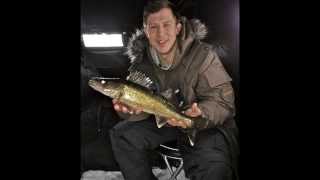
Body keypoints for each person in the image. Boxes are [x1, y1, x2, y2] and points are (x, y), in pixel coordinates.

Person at [109, 0, 239, 179]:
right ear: (146, 31)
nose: (160, 34)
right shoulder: (140, 65)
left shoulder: (202, 56)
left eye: (166, 25)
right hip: (163, 121)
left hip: (201, 124)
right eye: (153, 27)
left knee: (213, 168)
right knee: (122, 134)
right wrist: (130, 111)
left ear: (178, 27)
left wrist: (199, 114)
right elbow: (140, 109)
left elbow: (223, 100)